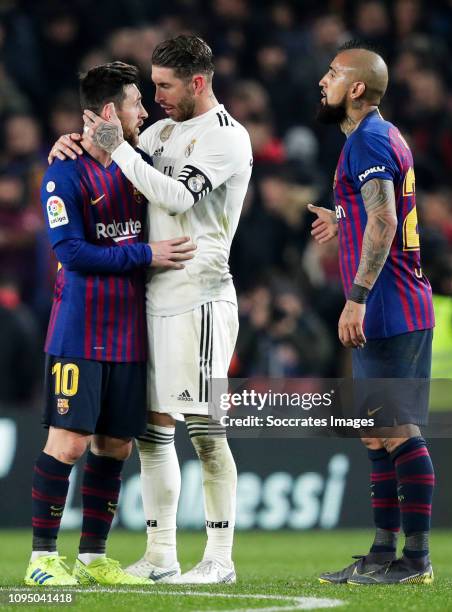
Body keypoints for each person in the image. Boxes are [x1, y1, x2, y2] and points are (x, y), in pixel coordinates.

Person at [52, 35, 253, 584]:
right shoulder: (160, 134)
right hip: (151, 301)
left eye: (164, 86)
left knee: (207, 431)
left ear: (198, 82)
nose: (156, 97)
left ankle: (218, 560)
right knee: (151, 433)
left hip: (203, 300)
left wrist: (116, 147)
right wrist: (73, 143)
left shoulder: (227, 138)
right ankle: (161, 555)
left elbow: (179, 197)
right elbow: (116, 165)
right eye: (151, 86)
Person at [25, 61, 195, 587]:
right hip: (79, 330)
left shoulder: (137, 164)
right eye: (134, 103)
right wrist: (148, 253)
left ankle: (94, 558)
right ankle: (41, 559)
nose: (142, 112)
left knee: (115, 445)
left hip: (130, 332)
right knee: (69, 442)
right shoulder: (64, 171)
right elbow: (72, 253)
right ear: (108, 112)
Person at [308, 40, 435, 585]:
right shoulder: (378, 136)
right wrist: (345, 219)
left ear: (356, 88)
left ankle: (418, 559)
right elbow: (378, 216)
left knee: (399, 430)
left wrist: (355, 296)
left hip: (390, 303)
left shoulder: (369, 140)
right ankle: (384, 552)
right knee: (375, 432)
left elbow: (384, 224)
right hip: (393, 301)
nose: (323, 80)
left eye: (334, 73)